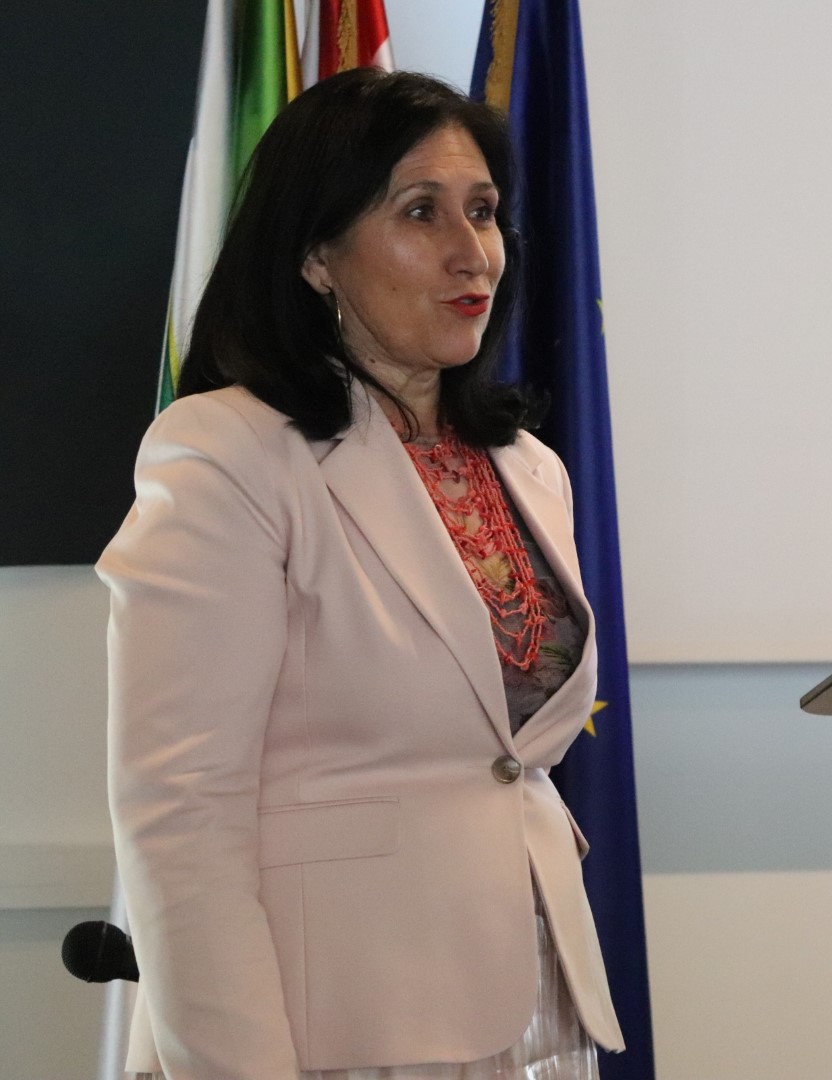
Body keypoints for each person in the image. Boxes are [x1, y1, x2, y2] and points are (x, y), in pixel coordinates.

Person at [97, 68, 623, 1080]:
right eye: (421, 213)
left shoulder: (528, 468)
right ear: (316, 256)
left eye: (483, 212)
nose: (472, 252)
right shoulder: (227, 455)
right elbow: (180, 814)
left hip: (529, 1021)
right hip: (326, 1033)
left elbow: (507, 762)